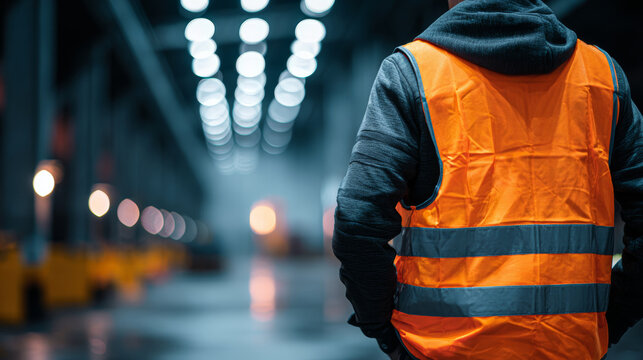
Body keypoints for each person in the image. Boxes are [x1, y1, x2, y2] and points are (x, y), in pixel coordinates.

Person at [332, 0, 643, 359]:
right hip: (571, 348)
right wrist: (609, 320)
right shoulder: (601, 77)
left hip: (440, 350)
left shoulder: (413, 74)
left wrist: (383, 329)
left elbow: (358, 219)